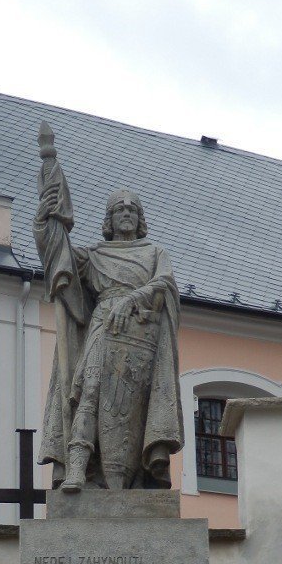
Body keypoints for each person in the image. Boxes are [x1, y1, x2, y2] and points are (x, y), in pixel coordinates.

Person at [35, 184, 184, 491]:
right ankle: (77, 469)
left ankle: (135, 477)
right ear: (109, 219)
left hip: (142, 337)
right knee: (88, 393)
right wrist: (46, 220)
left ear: (139, 217)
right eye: (120, 210)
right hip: (102, 326)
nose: (126, 214)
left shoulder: (156, 253)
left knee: (136, 407)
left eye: (132, 209)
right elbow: (56, 256)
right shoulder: (94, 255)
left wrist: (132, 300)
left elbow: (165, 285)